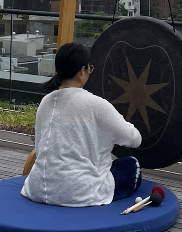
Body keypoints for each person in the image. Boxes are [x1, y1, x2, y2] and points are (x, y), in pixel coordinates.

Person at [22, 42, 143, 207]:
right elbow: (134, 139)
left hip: (36, 188)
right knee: (131, 165)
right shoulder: (96, 104)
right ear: (81, 71)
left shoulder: (45, 102)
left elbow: (40, 146)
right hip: (77, 192)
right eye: (89, 68)